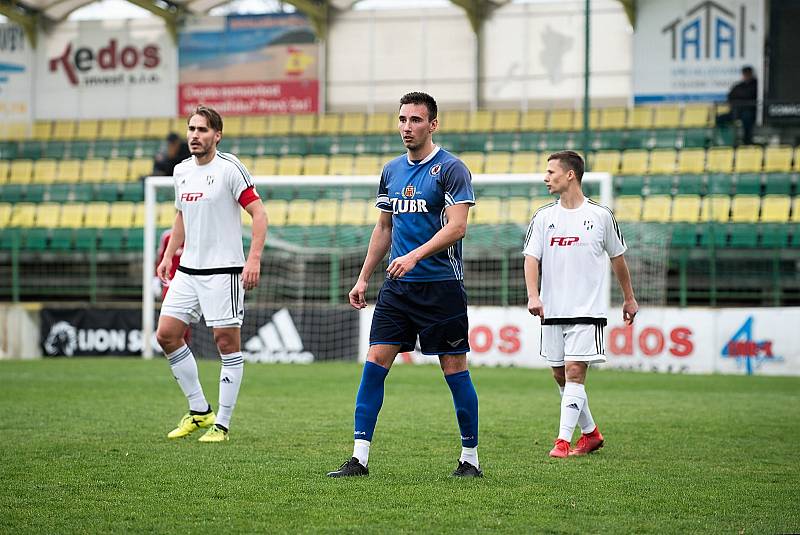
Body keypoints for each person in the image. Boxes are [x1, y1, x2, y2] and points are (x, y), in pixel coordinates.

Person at [327, 92, 482, 478]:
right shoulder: (391, 170)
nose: (406, 127)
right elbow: (384, 227)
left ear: (433, 124)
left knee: (454, 369)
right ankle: (359, 458)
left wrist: (414, 255)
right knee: (375, 362)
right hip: (397, 289)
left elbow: (458, 227)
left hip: (441, 285)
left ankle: (470, 460)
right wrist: (364, 276)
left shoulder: (451, 169)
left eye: (415, 120)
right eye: (402, 120)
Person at [155, 105, 267, 443]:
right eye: (191, 129)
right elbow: (181, 216)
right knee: (166, 335)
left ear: (217, 135)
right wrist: (169, 253)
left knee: (226, 344)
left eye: (202, 130)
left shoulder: (231, 168)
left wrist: (253, 259)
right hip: (188, 269)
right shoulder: (181, 171)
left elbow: (259, 215)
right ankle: (200, 411)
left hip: (224, 272)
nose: (194, 136)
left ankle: (223, 424)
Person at [523, 150, 638, 458]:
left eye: (551, 172)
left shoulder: (600, 216)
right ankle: (591, 434)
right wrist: (533, 295)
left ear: (570, 174)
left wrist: (629, 298)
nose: (546, 177)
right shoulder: (544, 217)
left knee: (575, 371)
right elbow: (531, 259)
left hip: (588, 312)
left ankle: (562, 441)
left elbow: (618, 260)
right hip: (553, 311)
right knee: (560, 374)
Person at [153, 229, 190, 344]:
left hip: (190, 283)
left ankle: (186, 346)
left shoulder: (194, 235)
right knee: (171, 320)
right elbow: (160, 258)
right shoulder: (167, 236)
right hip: (170, 284)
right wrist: (155, 279)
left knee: (187, 321)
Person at [715, 66, 758, 145]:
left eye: (748, 74)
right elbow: (730, 96)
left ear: (751, 74)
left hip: (748, 111)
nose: (746, 76)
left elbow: (750, 95)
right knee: (718, 119)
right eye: (745, 74)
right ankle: (726, 141)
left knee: (747, 118)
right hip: (736, 111)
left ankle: (747, 142)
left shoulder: (756, 85)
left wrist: (740, 98)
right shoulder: (739, 86)